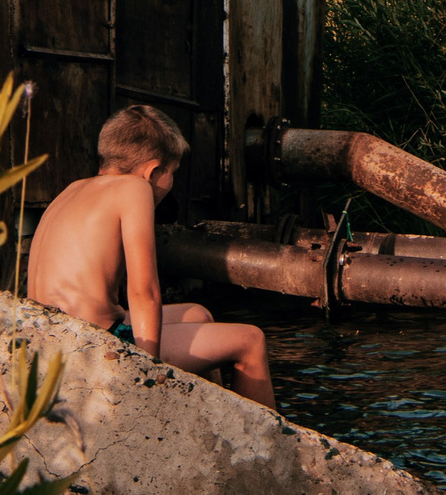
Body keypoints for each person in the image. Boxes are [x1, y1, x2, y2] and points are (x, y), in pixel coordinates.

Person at [25, 104, 276, 408]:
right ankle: (267, 448)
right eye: (171, 174)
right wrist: (147, 370)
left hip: (47, 336)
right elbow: (144, 291)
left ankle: (208, 420)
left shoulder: (73, 189)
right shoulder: (134, 189)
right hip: (88, 344)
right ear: (153, 170)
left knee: (198, 314)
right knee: (250, 341)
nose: (170, 184)